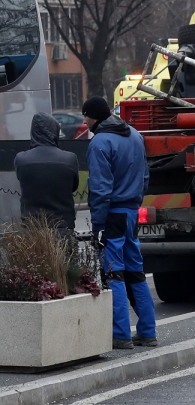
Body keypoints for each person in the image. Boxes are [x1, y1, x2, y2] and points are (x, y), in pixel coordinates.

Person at [83, 96, 157, 349]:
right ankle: (147, 332)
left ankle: (121, 335)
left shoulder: (100, 142)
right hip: (131, 212)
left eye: (86, 116)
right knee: (136, 271)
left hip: (112, 215)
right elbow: (145, 176)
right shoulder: (135, 135)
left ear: (96, 117)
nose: (84, 121)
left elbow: (100, 189)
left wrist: (97, 225)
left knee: (113, 272)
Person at [14, 113, 80, 239]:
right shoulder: (69, 159)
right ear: (54, 131)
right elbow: (74, 186)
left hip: (32, 226)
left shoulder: (21, 159)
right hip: (62, 225)